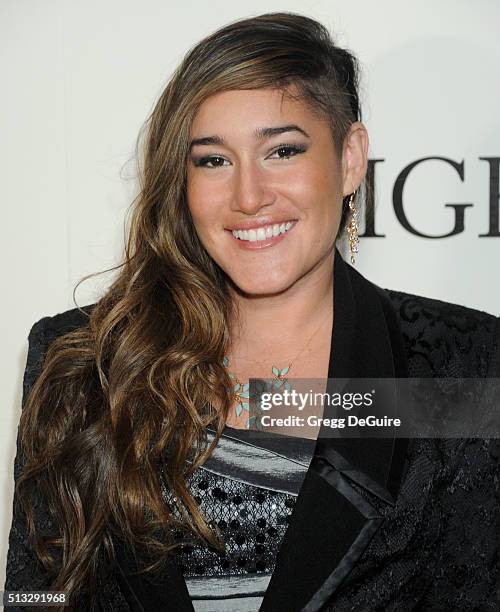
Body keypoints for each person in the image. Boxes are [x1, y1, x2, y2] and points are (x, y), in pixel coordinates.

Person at [4, 11, 500, 612]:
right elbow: (36, 595)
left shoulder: (462, 364)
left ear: (349, 158)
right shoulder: (84, 359)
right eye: (212, 160)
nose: (248, 197)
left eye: (283, 151)